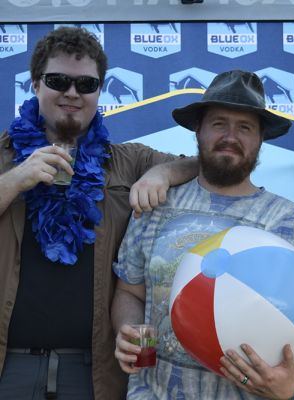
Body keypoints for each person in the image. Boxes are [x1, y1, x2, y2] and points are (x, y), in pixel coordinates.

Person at [0, 26, 197, 400]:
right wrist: (15, 180)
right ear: (35, 85)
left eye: (86, 85)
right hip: (8, 367)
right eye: (58, 80)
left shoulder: (126, 161)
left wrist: (161, 172)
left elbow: (203, 165)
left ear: (99, 92)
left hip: (93, 372)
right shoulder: (4, 157)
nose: (72, 93)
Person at [112, 70, 294, 399]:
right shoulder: (156, 204)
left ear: (260, 139)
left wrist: (290, 381)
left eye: (245, 127)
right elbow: (129, 290)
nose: (231, 136)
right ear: (198, 130)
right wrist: (126, 330)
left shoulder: (285, 219)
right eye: (219, 123)